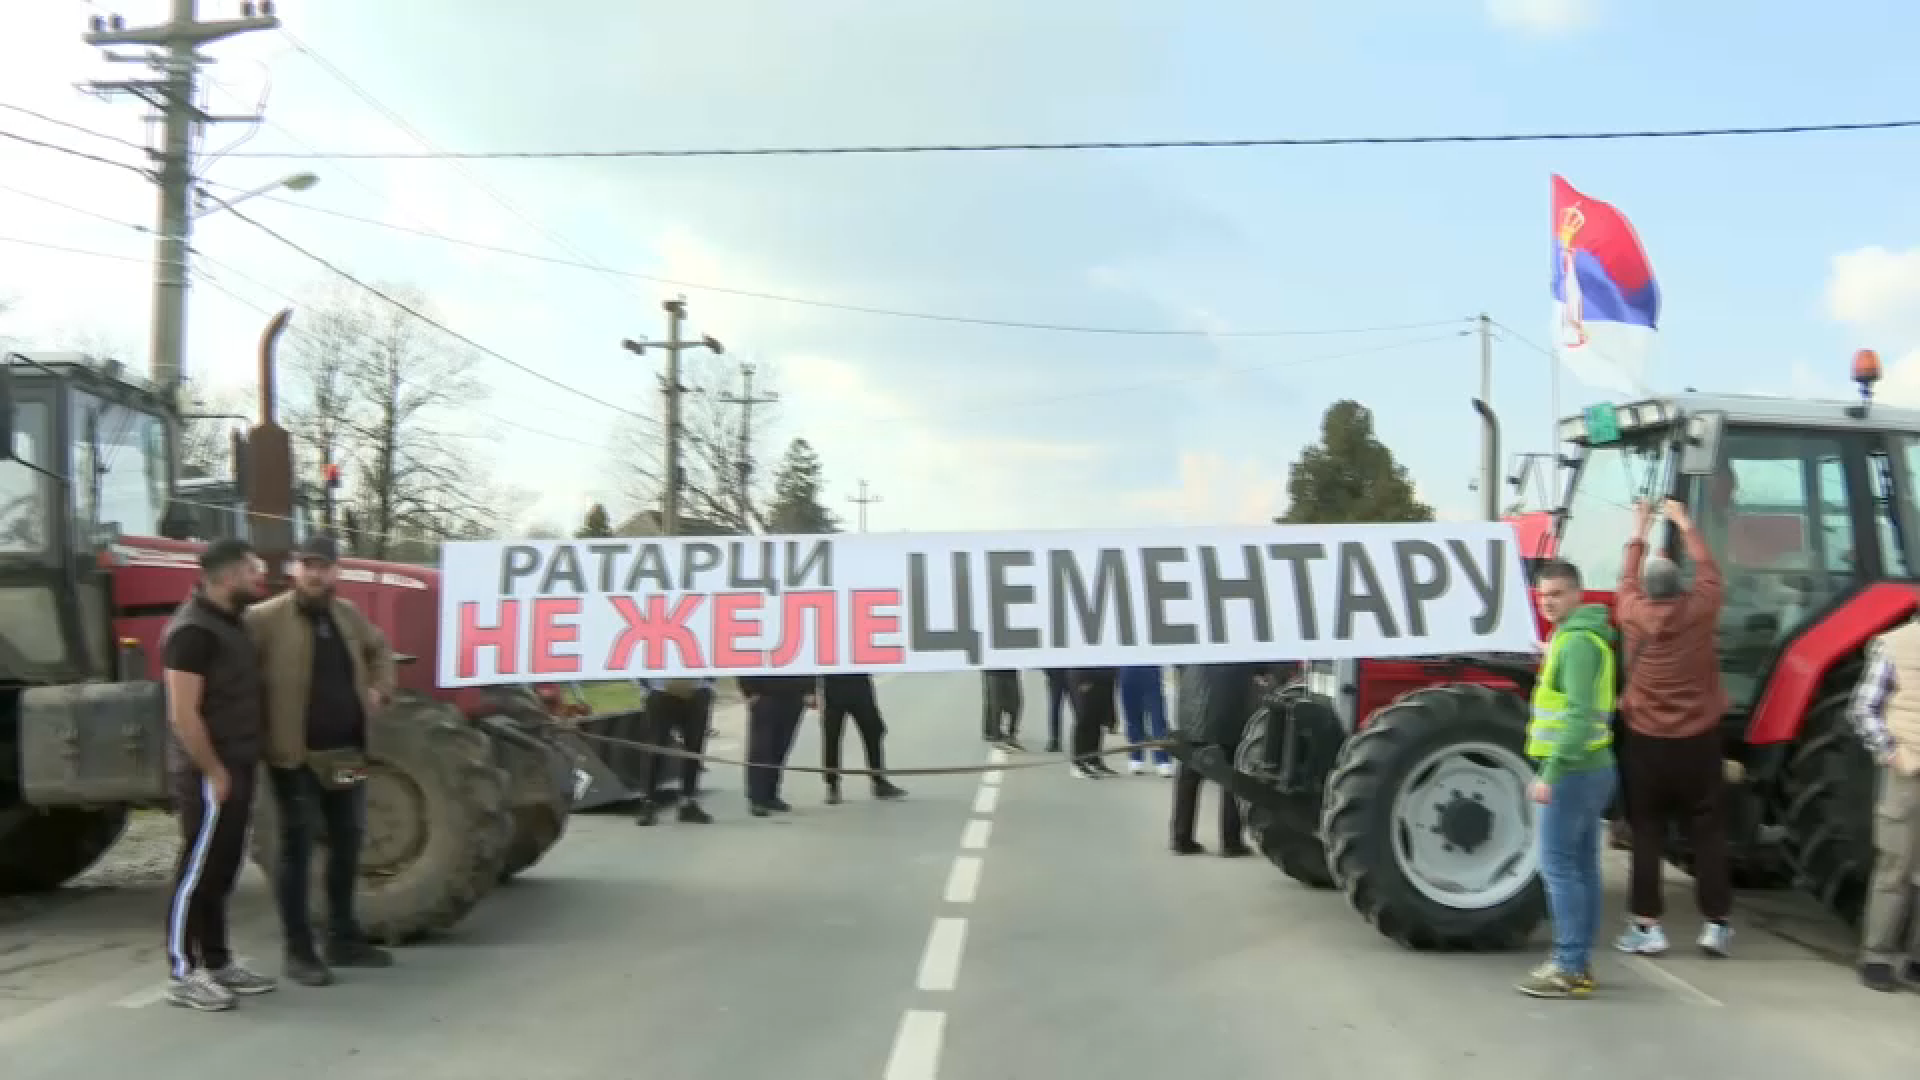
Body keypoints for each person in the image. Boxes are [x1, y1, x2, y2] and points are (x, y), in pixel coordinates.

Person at [245, 534, 400, 987]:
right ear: (295, 569)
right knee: (297, 847)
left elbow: (380, 650)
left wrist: (379, 687)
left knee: (349, 840)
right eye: (307, 565)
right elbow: (238, 671)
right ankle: (298, 951)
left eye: (324, 566)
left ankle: (344, 938)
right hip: (295, 758)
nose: (315, 574)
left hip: (346, 754)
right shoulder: (264, 619)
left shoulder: (347, 615)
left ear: (336, 571)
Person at [1611, 498, 1734, 959]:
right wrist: (1684, 523)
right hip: (1698, 740)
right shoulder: (1700, 609)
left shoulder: (1629, 611)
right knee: (1708, 832)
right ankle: (1716, 925)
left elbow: (1625, 578)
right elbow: (1709, 570)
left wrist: (1639, 526)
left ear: (1645, 589)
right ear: (1679, 587)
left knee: (1646, 833)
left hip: (1645, 743)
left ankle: (1648, 927)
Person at [161, 538, 279, 1011]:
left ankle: (218, 960)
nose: (261, 579)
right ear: (229, 577)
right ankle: (183, 972)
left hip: (238, 764)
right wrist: (212, 770)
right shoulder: (192, 632)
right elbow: (182, 713)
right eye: (254, 571)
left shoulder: (232, 624)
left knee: (223, 870)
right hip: (208, 773)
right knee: (196, 872)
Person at [1516, 558, 1618, 1000]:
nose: (1549, 602)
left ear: (1578, 593)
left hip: (1574, 770)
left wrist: (1550, 773)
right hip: (1594, 766)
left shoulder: (1577, 644)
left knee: (1557, 866)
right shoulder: (1579, 637)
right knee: (1581, 868)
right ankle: (1577, 962)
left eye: (1557, 594)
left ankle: (1569, 966)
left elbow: (1577, 715)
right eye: (1543, 595)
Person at [1844, 616, 1920, 992]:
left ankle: (1916, 959)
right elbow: (1862, 709)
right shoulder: (1893, 645)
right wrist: (1891, 752)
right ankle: (1877, 956)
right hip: (1907, 774)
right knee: (1896, 864)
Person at [1168, 663, 1261, 856]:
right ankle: (1231, 841)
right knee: (1231, 779)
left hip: (1191, 713)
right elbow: (1261, 666)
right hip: (1229, 713)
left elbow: (1177, 664)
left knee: (1188, 777)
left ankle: (1181, 837)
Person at [633, 677, 715, 826]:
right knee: (654, 749)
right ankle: (648, 802)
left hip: (697, 690)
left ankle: (688, 802)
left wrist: (708, 685)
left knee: (694, 749)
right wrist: (646, 688)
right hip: (660, 691)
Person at [820, 672, 908, 804]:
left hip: (860, 687)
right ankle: (832, 785)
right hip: (833, 687)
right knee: (832, 737)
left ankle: (879, 781)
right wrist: (810, 689)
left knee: (873, 732)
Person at [740, 674, 814, 816]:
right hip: (764, 694)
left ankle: (771, 794)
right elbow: (745, 661)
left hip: (795, 694)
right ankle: (757, 799)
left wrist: (810, 690)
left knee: (781, 747)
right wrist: (748, 690)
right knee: (761, 748)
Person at [1119, 665, 1173, 776]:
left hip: (1150, 672)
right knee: (1133, 719)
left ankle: (1162, 760)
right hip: (1127, 672)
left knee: (1158, 720)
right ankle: (1136, 758)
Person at [1068, 667, 1120, 778]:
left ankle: (1093, 760)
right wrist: (1083, 677)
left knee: (1098, 720)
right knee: (1084, 718)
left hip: (1105, 677)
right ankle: (1078, 763)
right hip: (1084, 674)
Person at [981, 669, 1024, 751]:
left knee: (1016, 703)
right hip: (993, 670)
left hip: (1010, 670)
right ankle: (994, 733)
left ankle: (1011, 732)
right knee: (995, 703)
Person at [1042, 667, 1074, 754]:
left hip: (1072, 674)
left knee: (1077, 708)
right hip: (1055, 675)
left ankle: (1079, 741)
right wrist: (1048, 672)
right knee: (1054, 708)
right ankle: (1054, 740)